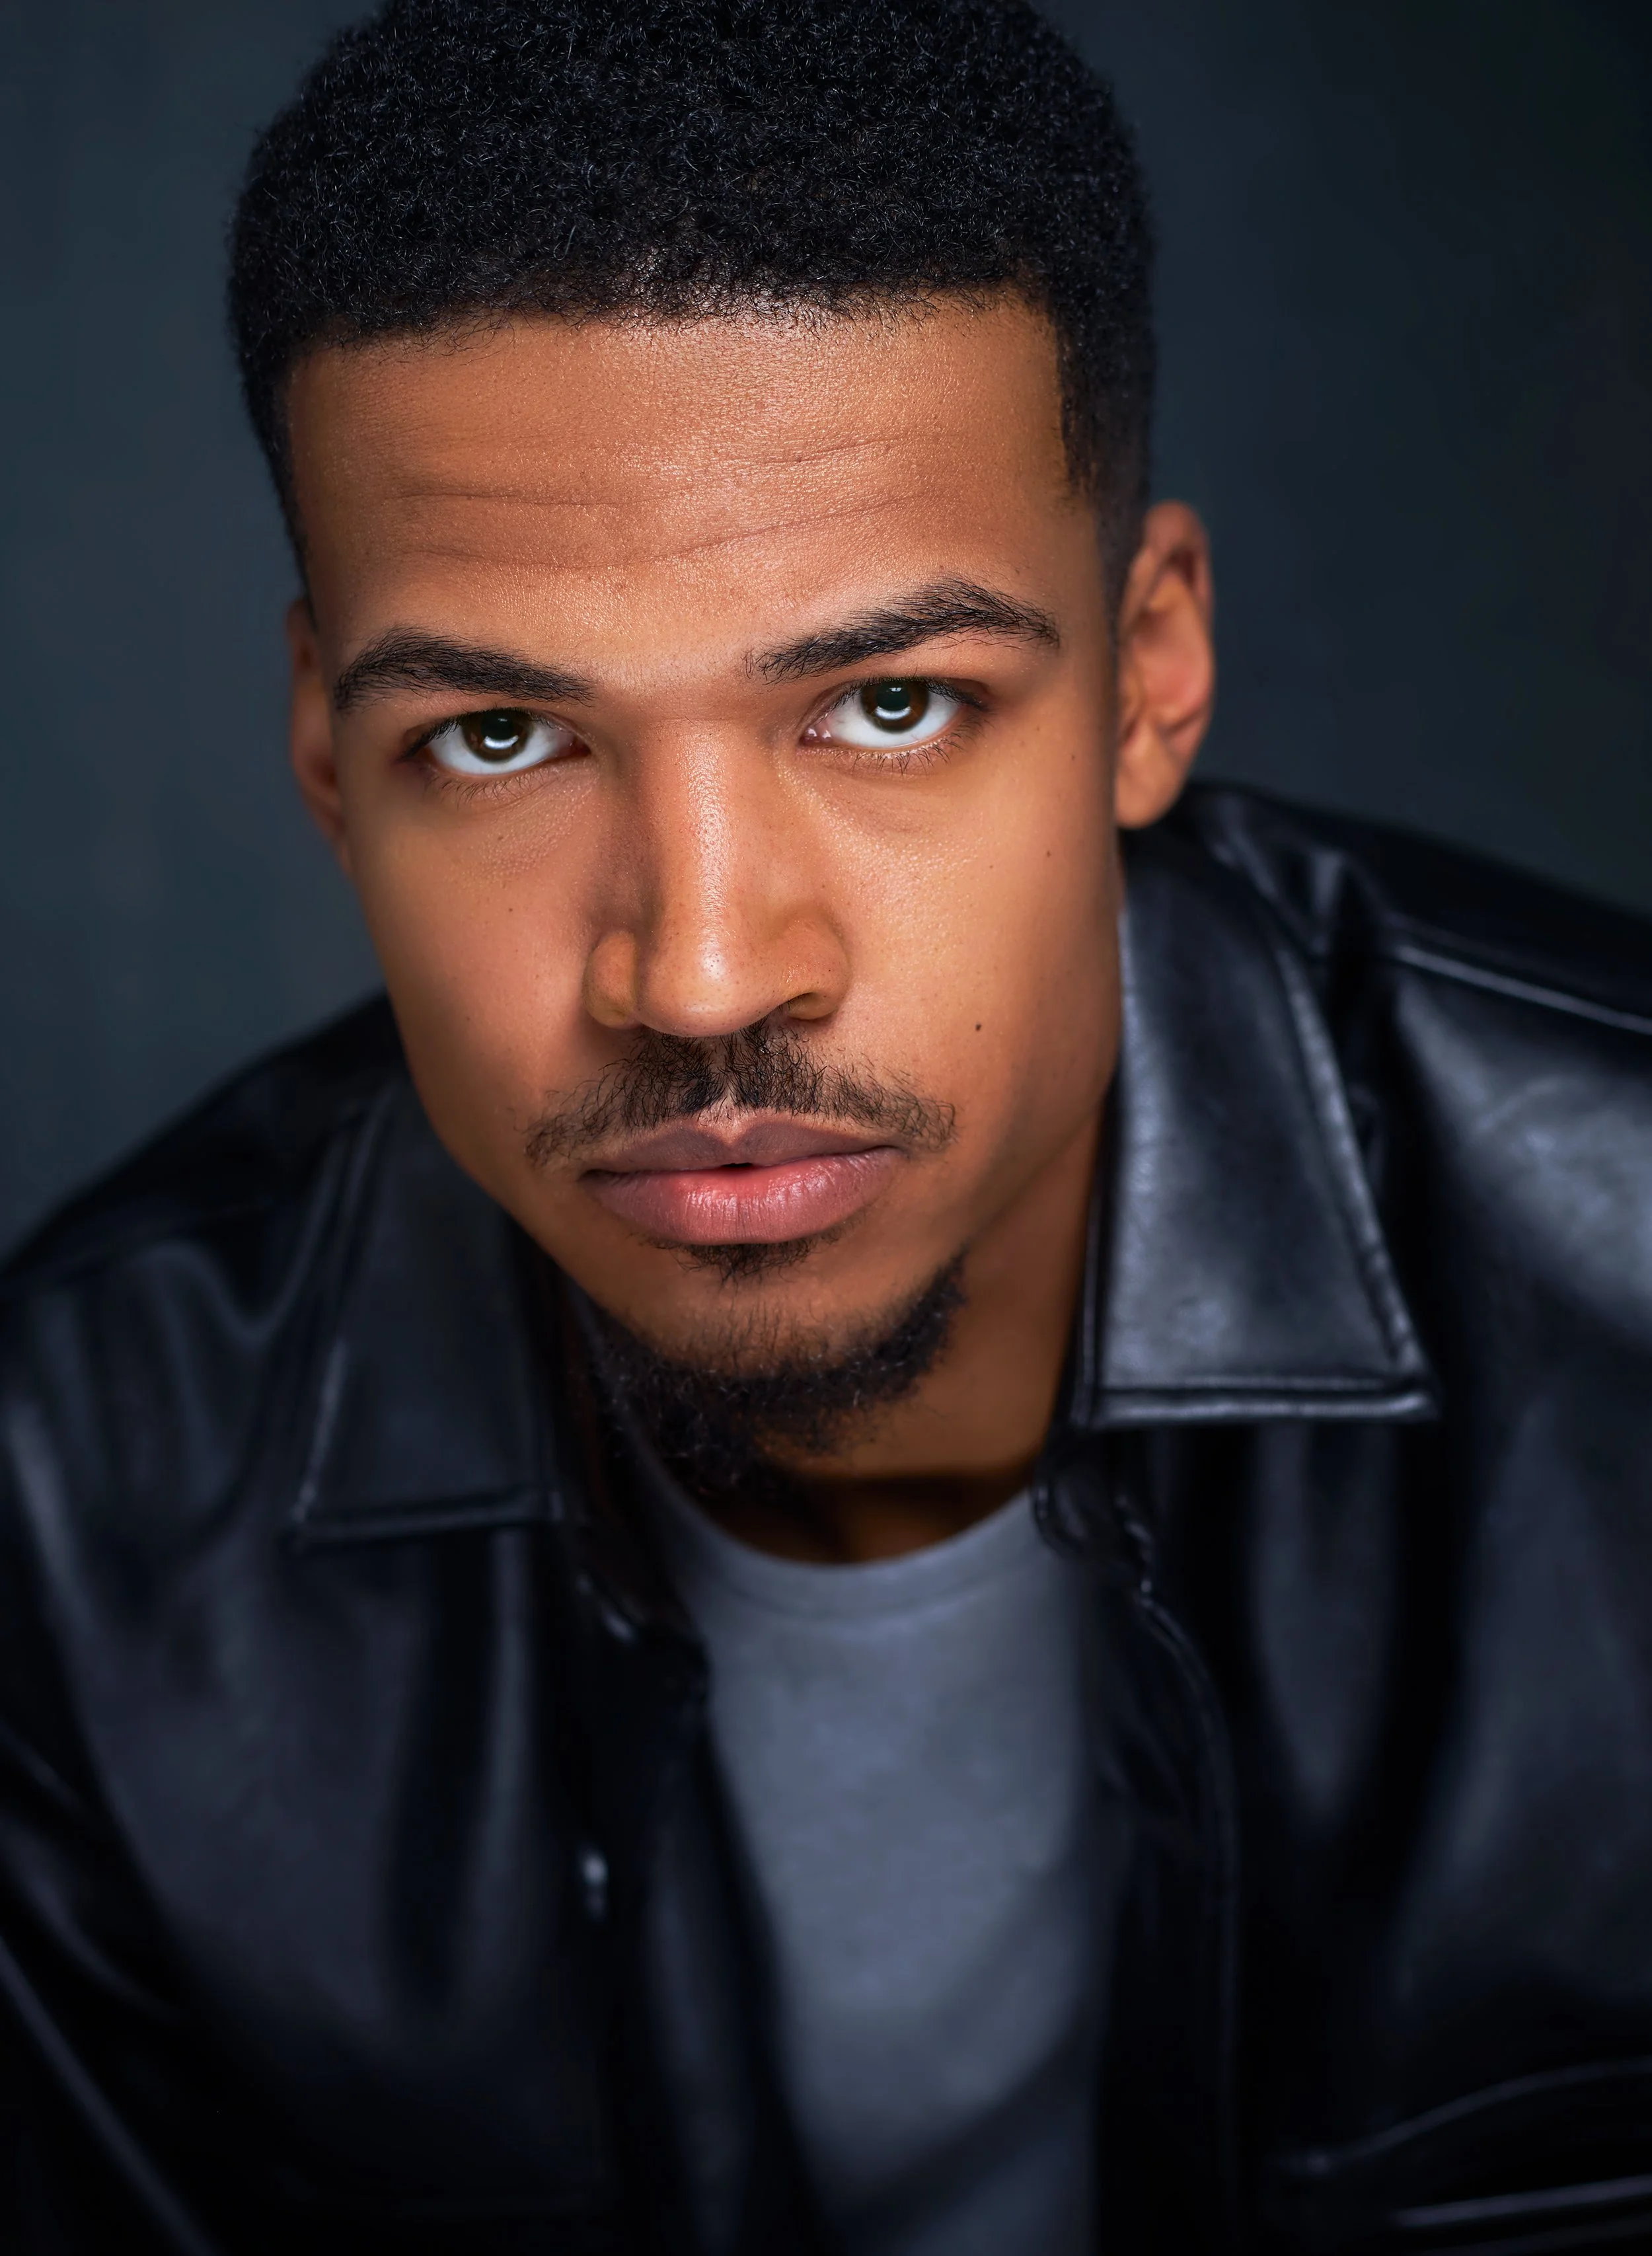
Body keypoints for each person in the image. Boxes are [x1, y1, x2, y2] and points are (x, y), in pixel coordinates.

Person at [3, 0, 1651, 2248]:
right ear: (323, 750)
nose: (697, 972)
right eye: (498, 739)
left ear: (1150, 669)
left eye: (887, 705)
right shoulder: (72, 1518)